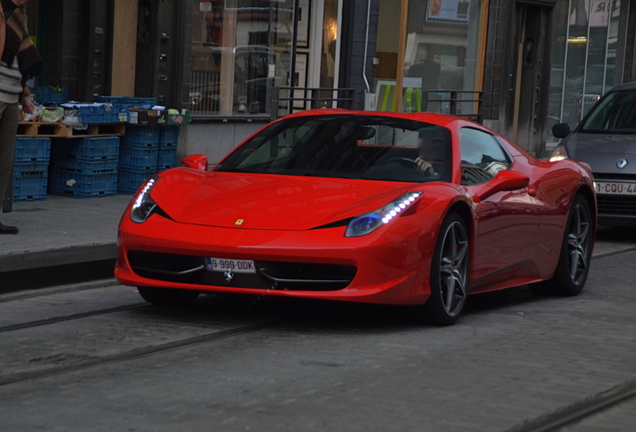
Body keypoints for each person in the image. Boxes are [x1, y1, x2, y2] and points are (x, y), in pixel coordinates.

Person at [0, 0, 41, 234]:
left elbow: (18, 61)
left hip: (11, 95)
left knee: (3, 161)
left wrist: (24, 95)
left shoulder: (20, 17)